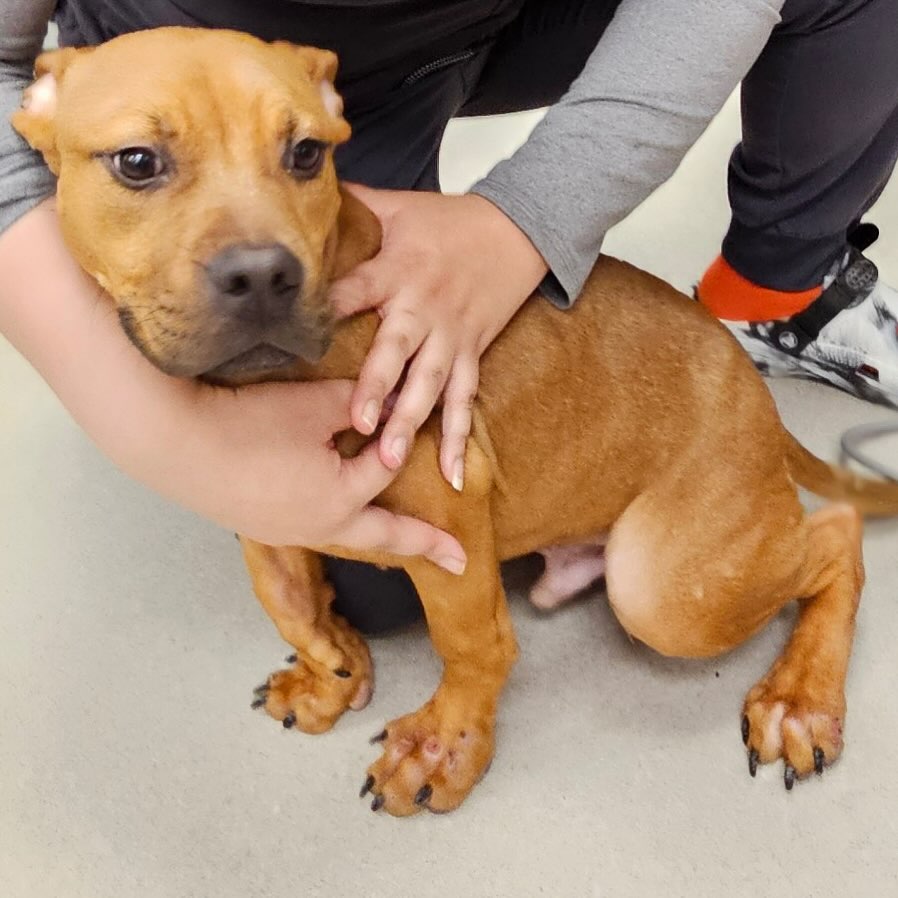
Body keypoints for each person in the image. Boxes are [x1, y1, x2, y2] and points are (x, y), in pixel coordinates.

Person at [1, 0, 896, 633]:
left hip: (496, 19)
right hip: (195, 29)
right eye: (137, 165)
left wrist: (529, 215)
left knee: (418, 513)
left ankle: (781, 294)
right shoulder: (71, 91)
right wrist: (153, 428)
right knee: (379, 576)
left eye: (307, 152)